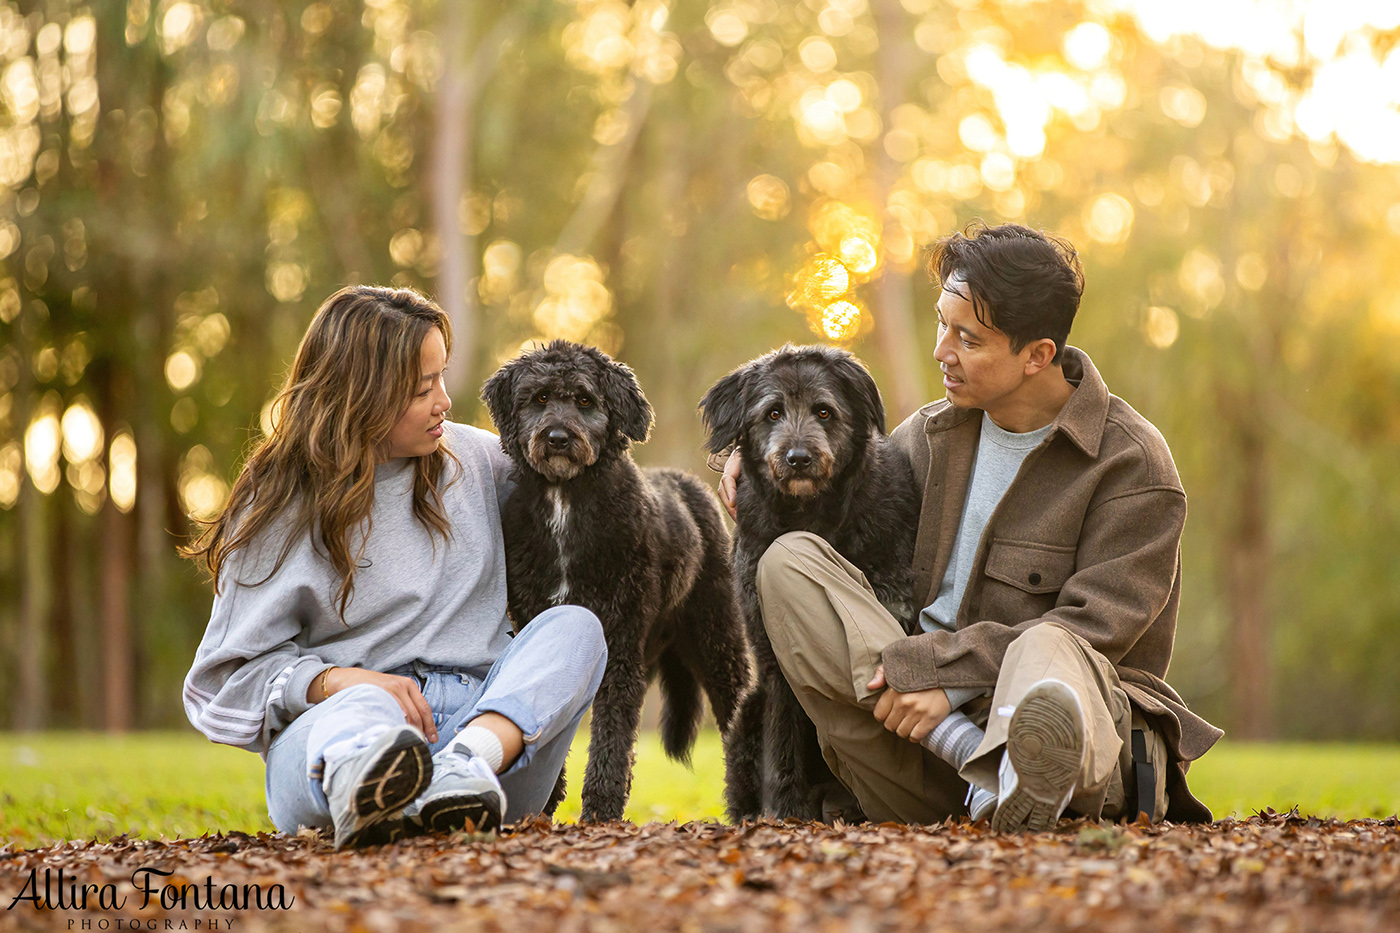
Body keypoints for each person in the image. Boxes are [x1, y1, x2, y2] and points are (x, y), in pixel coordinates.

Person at [721, 222, 1221, 830]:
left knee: (1052, 644)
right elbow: (830, 462)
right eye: (941, 324)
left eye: (969, 339)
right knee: (790, 561)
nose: (942, 351)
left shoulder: (1130, 462)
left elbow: (1099, 629)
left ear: (1037, 355)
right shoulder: (929, 438)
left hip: (1078, 746)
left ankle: (1020, 771)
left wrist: (943, 675)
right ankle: (978, 774)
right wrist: (747, 456)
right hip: (919, 738)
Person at [182, 285, 607, 849]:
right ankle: (372, 781)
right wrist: (338, 681)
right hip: (338, 736)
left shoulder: (478, 460)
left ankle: (459, 775)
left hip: (486, 740)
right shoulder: (278, 506)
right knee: (364, 708)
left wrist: (729, 464)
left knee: (577, 630)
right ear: (359, 396)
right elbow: (220, 682)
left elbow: (614, 490)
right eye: (421, 388)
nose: (445, 401)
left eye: (442, 377)